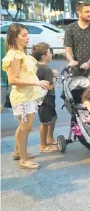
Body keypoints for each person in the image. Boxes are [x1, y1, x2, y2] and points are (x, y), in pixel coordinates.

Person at [2, 23, 49, 169]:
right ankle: (22, 159)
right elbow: (13, 79)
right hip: (22, 98)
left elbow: (28, 72)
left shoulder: (22, 53)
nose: (27, 37)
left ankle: (18, 153)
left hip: (28, 96)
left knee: (25, 127)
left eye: (27, 34)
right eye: (23, 35)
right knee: (25, 128)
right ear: (14, 37)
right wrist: (37, 83)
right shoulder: (14, 55)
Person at [64, 1, 90, 80]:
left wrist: (89, 63)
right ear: (79, 12)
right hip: (75, 72)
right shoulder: (70, 28)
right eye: (87, 12)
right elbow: (68, 49)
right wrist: (71, 60)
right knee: (75, 92)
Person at [32, 43, 59, 153]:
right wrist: (55, 77)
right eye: (49, 52)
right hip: (46, 99)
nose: (51, 54)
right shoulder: (46, 69)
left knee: (53, 118)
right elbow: (50, 86)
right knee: (45, 122)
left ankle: (50, 138)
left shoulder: (37, 66)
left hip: (42, 98)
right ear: (43, 56)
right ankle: (43, 145)